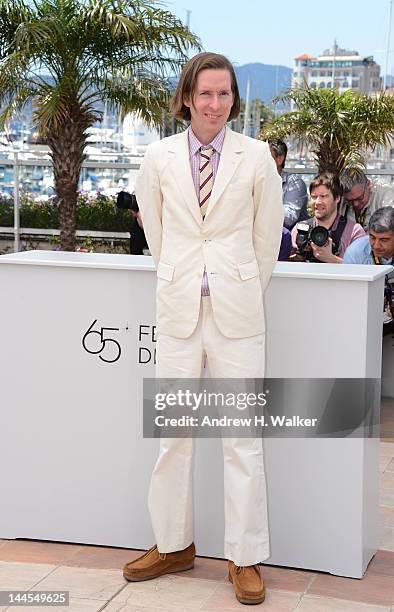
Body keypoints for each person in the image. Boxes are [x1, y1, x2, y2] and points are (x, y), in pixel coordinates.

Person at [123, 52, 283, 605]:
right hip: (178, 313)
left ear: (234, 98)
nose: (215, 104)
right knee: (173, 439)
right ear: (187, 97)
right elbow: (160, 237)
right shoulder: (158, 157)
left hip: (238, 314)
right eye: (205, 94)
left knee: (243, 440)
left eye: (225, 94)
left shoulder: (258, 157)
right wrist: (185, 281)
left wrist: (236, 285)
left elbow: (266, 243)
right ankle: (173, 545)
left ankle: (245, 557)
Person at [291, 173, 365, 263]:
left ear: (337, 198)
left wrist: (330, 258)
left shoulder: (354, 231)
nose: (318, 202)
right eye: (314, 197)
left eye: (323, 196)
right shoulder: (299, 229)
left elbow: (361, 270)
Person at [343, 206, 394, 335]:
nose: (376, 245)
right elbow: (347, 296)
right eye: (372, 237)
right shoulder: (355, 252)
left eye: (384, 240)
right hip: (363, 321)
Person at [268, 138, 308, 229]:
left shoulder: (294, 183)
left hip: (288, 239)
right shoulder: (258, 181)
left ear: (279, 159)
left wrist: (261, 207)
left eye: (265, 156)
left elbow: (289, 218)